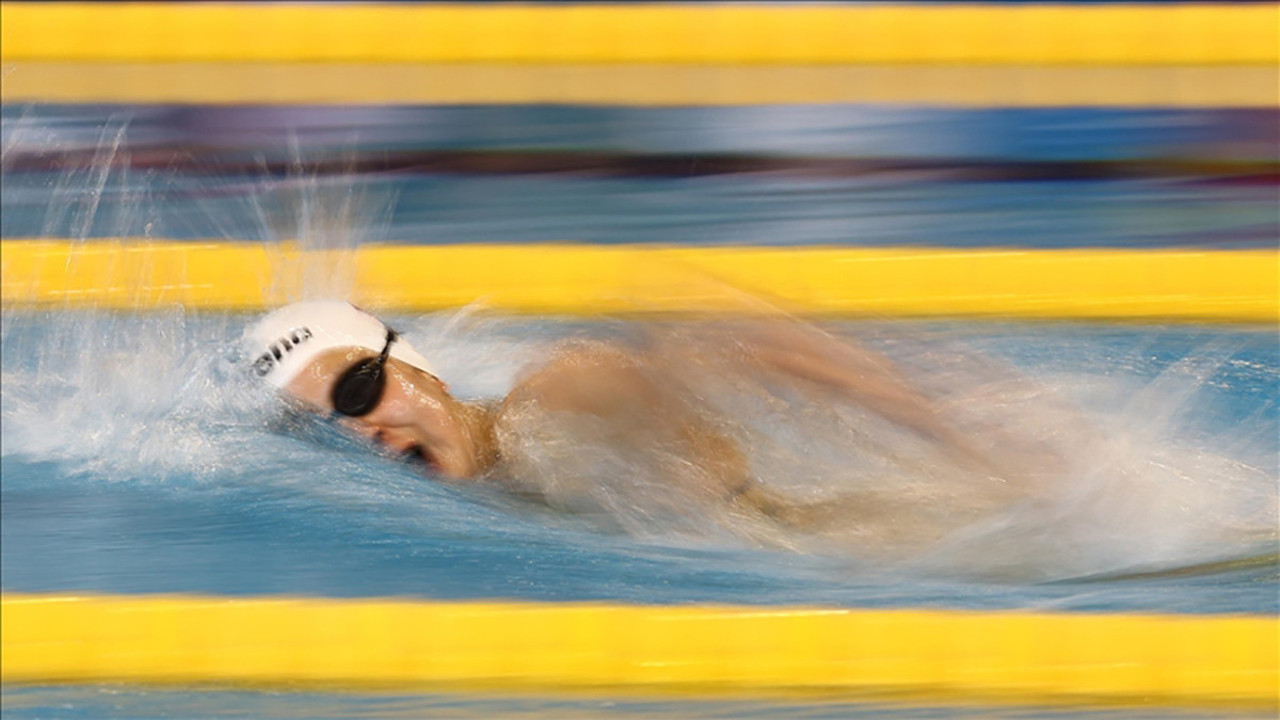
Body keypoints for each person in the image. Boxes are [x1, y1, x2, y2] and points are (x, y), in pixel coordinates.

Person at [245, 300, 1017, 533]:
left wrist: (955, 431)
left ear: (419, 368)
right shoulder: (496, 485)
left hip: (901, 544)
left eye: (357, 393)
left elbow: (734, 341)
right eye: (327, 428)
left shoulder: (546, 408)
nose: (363, 432)